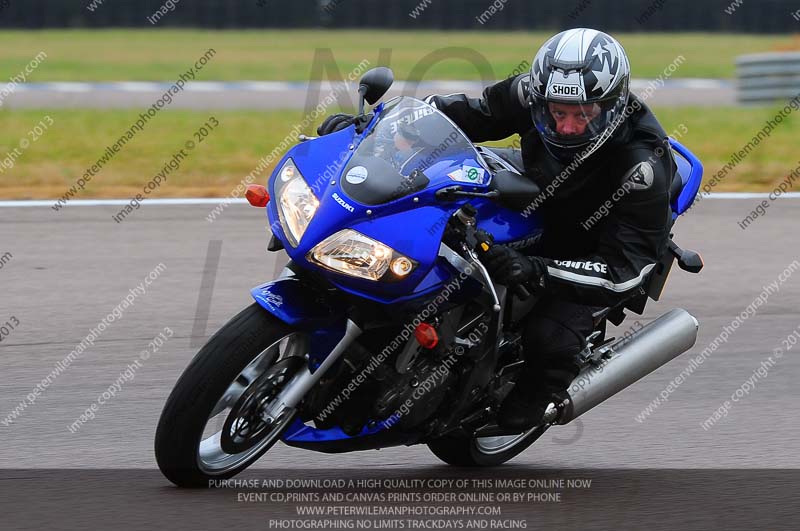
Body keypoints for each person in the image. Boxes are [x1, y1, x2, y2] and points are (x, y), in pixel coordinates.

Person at [317, 28, 675, 430]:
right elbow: (461, 114)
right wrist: (375, 130)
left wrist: (536, 269)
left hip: (591, 239)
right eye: (557, 113)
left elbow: (625, 271)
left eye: (583, 115)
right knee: (429, 197)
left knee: (549, 339)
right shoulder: (530, 93)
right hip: (538, 183)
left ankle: (534, 403)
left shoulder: (642, 169)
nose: (568, 127)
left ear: (611, 107)